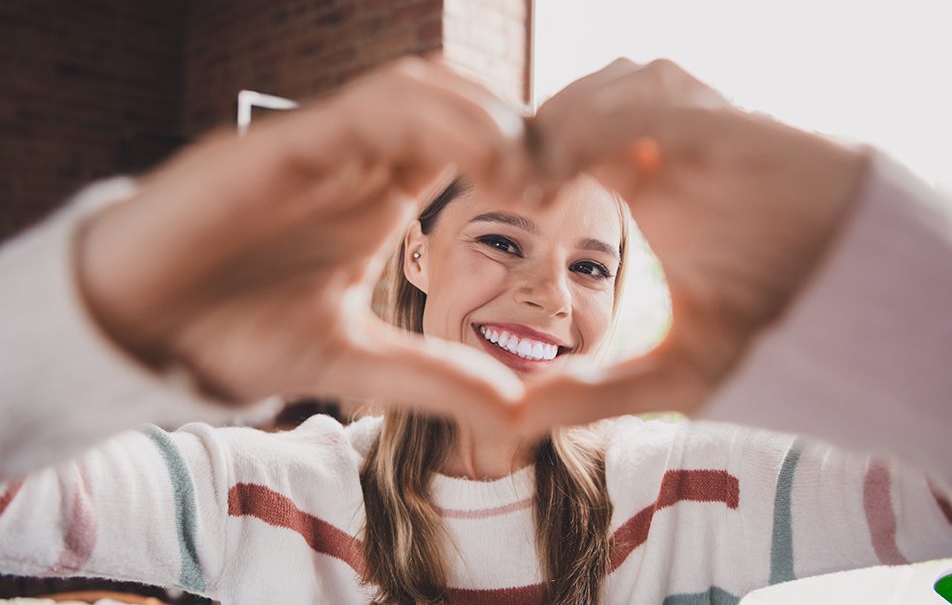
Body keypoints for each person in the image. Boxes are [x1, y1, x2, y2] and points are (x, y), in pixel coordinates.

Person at [0, 56, 949, 604]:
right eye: (501, 240)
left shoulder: (696, 491)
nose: (548, 294)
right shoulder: (257, 492)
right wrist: (97, 308)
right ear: (417, 256)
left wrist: (874, 265)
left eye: (590, 266)